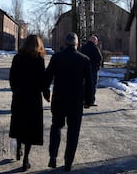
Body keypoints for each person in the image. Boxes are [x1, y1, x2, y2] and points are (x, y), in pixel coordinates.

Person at [44, 32, 93, 172]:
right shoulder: (84, 59)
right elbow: (89, 83)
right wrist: (88, 100)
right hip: (76, 102)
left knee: (56, 127)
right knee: (73, 132)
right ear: (77, 44)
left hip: (59, 99)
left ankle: (53, 155)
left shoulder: (57, 57)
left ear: (65, 44)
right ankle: (68, 162)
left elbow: (48, 76)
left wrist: (46, 91)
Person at [9, 34, 51, 172]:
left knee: (19, 123)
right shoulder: (39, 59)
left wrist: (16, 90)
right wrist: (45, 92)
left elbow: (12, 78)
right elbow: (42, 80)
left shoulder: (17, 58)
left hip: (20, 97)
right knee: (30, 128)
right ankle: (26, 158)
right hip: (33, 99)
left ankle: (18, 147)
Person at [80, 34, 103, 106]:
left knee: (84, 85)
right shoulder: (95, 48)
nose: (97, 42)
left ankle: (83, 99)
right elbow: (100, 58)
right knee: (92, 85)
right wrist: (98, 66)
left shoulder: (83, 48)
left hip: (84, 70)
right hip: (93, 70)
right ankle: (91, 100)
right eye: (96, 41)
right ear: (94, 41)